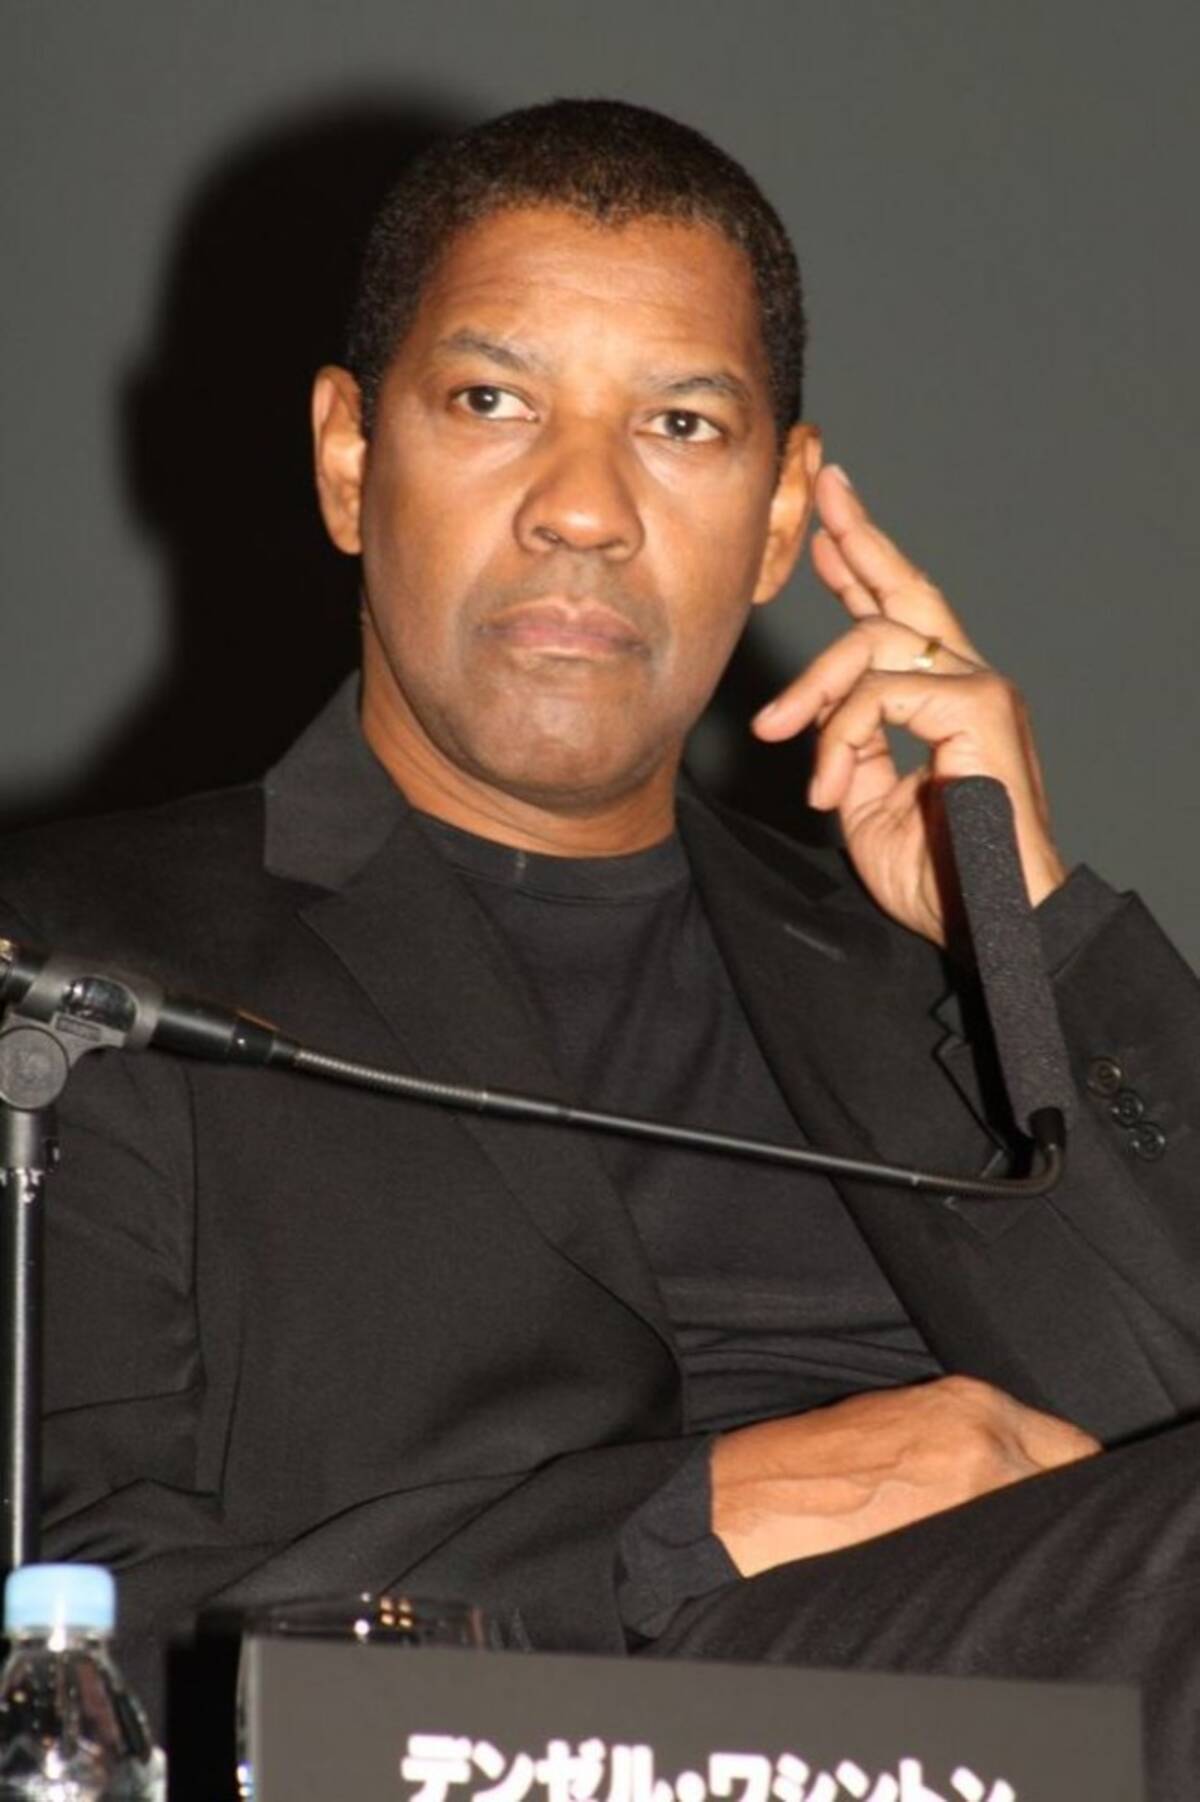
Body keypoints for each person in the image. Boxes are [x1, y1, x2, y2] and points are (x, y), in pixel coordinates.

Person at [4, 98, 1200, 1796]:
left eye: (680, 424)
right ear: (350, 460)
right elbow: (72, 1653)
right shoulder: (73, 965)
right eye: (493, 403)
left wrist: (1037, 936)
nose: (585, 508)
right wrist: (695, 1516)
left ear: (779, 519)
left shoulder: (918, 971)